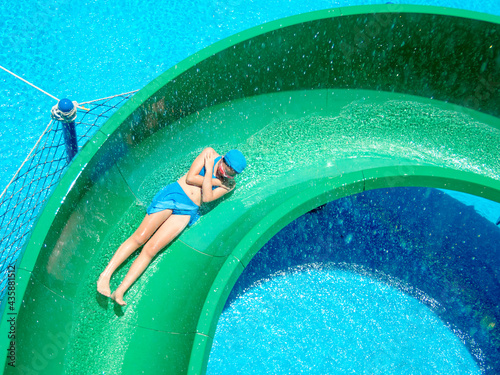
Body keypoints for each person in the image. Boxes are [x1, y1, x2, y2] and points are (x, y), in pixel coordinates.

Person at [97, 147, 247, 306]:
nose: (227, 176)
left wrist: (212, 174)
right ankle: (105, 276)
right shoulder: (209, 153)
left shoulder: (230, 184)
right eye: (227, 170)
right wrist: (214, 177)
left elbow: (208, 197)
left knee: (151, 249)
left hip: (187, 210)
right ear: (223, 159)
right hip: (175, 195)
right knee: (140, 238)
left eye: (232, 174)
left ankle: (120, 291)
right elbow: (190, 178)